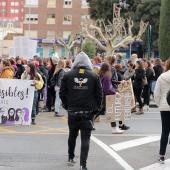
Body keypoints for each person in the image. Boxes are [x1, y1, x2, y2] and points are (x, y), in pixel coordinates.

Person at [59, 52, 103, 170]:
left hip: (73, 110)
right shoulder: (94, 76)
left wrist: (67, 105)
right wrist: (97, 109)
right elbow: (99, 95)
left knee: (72, 135)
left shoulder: (68, 75)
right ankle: (83, 165)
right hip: (88, 112)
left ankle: (70, 157)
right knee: (85, 138)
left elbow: (62, 93)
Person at [154, 58, 170, 164]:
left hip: (165, 106)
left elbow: (156, 93)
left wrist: (159, 104)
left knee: (165, 131)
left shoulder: (162, 77)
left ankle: (162, 155)